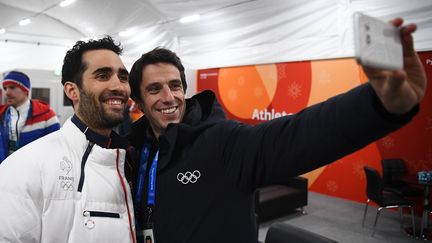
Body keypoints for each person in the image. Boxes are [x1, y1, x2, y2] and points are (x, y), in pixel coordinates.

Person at [126, 18, 426, 243]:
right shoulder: (131, 151)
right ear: (138, 101)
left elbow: (300, 134)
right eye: (154, 89)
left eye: (175, 85)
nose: (168, 97)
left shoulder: (223, 142)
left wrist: (381, 104)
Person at [0, 36, 136, 243]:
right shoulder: (22, 168)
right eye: (102, 76)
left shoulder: (133, 160)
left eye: (123, 77)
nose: (119, 86)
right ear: (72, 91)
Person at [0, 71, 60, 162]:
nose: (7, 93)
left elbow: (56, 147)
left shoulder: (47, 115)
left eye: (12, 87)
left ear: (25, 90)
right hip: (6, 170)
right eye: (5, 88)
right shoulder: (2, 115)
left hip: (34, 172)